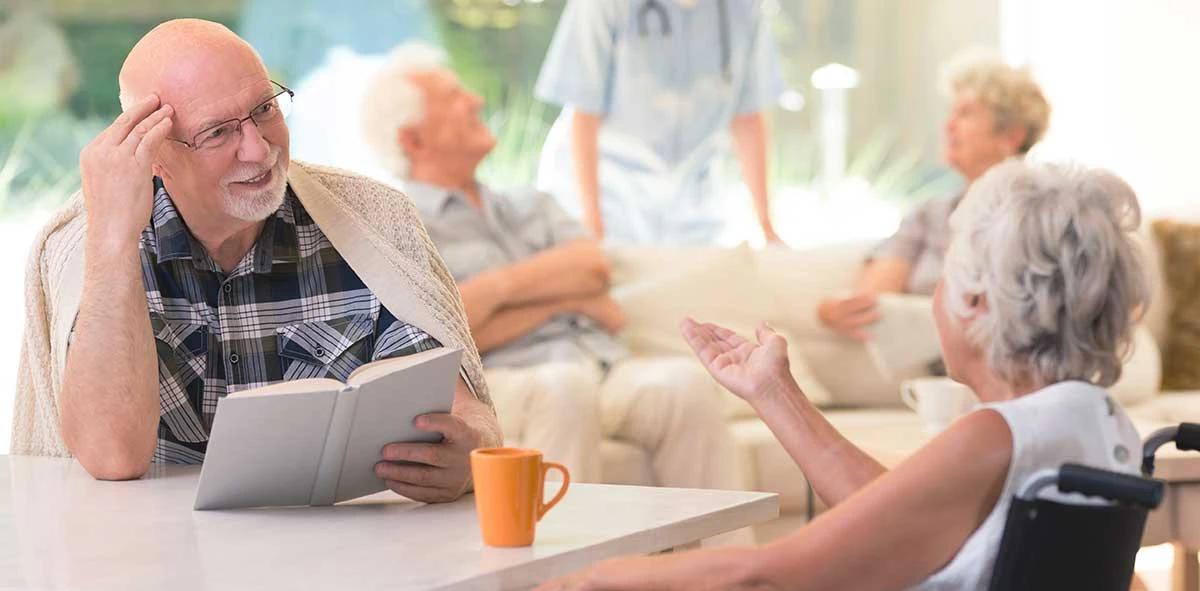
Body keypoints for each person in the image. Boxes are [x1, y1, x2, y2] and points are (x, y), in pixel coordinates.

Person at [438, 159, 1150, 591]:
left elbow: (769, 588)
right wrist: (774, 392)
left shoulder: (991, 437)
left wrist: (599, 578)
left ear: (973, 303)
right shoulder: (1091, 426)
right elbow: (898, 517)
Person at [11, 20, 501, 508]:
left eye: (264, 109)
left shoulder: (371, 219)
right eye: (218, 132)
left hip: (344, 560)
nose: (258, 148)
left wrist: (472, 449)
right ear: (155, 154)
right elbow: (111, 457)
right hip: (156, 565)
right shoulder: (83, 246)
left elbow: (466, 412)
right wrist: (113, 238)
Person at [360, 44, 745, 493]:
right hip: (504, 382)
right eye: (452, 97)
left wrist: (493, 296)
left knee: (684, 386)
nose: (476, 101)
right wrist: (561, 297)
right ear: (414, 139)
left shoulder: (530, 204)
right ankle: (561, 565)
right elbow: (445, 339)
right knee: (565, 390)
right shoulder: (400, 226)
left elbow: (591, 267)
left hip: (599, 362)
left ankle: (734, 563)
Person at [817, 52, 1050, 342]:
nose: (948, 125)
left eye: (966, 113)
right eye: (950, 112)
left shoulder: (1048, 213)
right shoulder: (929, 215)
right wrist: (834, 312)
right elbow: (872, 301)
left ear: (1012, 135)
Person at [533, 0, 785, 246]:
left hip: (692, 205)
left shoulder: (743, 8)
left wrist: (766, 227)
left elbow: (748, 116)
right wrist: (592, 222)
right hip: (602, 190)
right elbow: (584, 114)